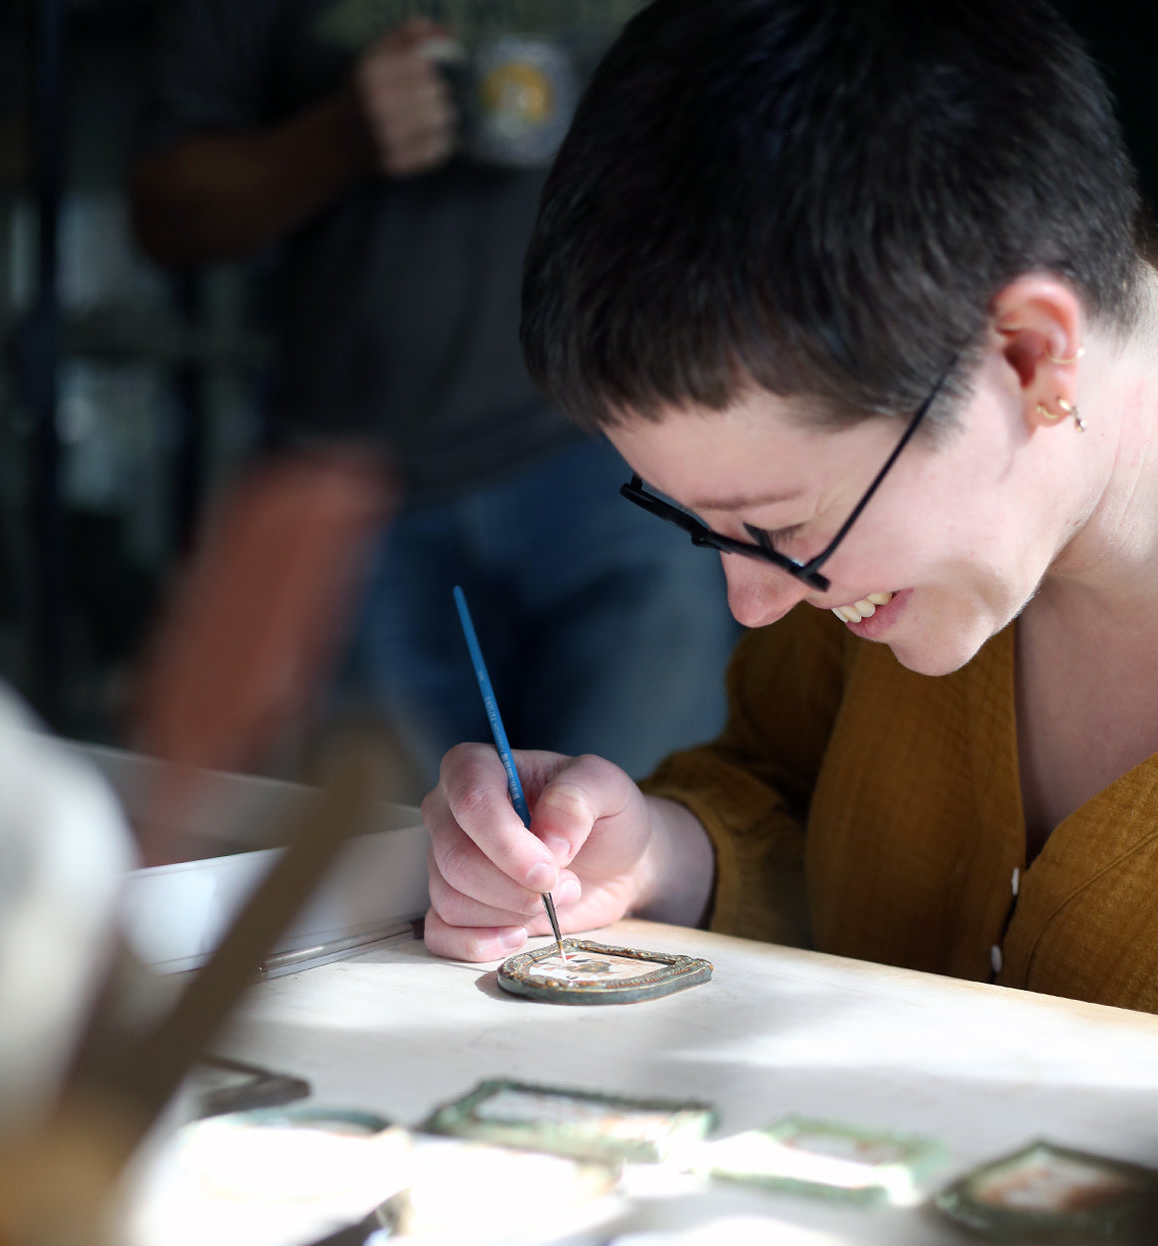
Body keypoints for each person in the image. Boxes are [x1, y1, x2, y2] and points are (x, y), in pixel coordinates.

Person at [421, 0, 1158, 1011]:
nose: (753, 604)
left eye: (780, 527)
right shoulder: (875, 564)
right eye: (701, 525)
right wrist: (649, 857)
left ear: (1031, 356)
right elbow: (786, 794)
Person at [130, 2, 736, 789]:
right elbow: (165, 208)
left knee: (642, 856)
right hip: (366, 491)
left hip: (632, 472)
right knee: (394, 878)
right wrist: (337, 137)